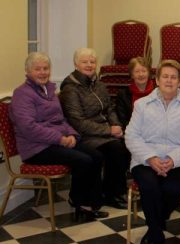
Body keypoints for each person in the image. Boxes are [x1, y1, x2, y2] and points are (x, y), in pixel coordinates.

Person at [10, 52, 107, 220]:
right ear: (27, 72)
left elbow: (61, 119)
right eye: (37, 69)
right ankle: (79, 204)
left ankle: (92, 202)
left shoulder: (50, 91)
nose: (42, 72)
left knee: (96, 155)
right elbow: (29, 128)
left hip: (57, 142)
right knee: (83, 160)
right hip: (36, 148)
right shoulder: (22, 94)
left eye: (45, 68)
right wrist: (60, 139)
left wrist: (71, 134)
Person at [125, 60, 180, 244]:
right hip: (145, 159)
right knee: (150, 186)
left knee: (172, 190)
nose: (169, 80)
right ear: (157, 80)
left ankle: (153, 231)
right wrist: (150, 158)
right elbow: (131, 136)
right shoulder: (141, 105)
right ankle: (157, 235)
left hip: (177, 161)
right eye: (165, 76)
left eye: (173, 77)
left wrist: (173, 160)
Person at [60, 48, 130, 209]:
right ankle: (111, 194)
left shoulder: (98, 84)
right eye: (85, 62)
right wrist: (108, 131)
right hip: (84, 135)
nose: (89, 65)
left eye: (92, 62)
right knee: (115, 149)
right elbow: (78, 122)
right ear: (76, 64)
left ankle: (112, 192)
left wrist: (116, 125)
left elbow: (109, 108)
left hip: (103, 131)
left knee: (125, 145)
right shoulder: (70, 89)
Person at [115, 57, 154, 129]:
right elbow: (123, 120)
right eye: (137, 71)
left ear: (148, 73)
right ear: (132, 75)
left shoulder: (158, 92)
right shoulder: (123, 94)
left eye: (144, 71)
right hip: (133, 131)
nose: (141, 74)